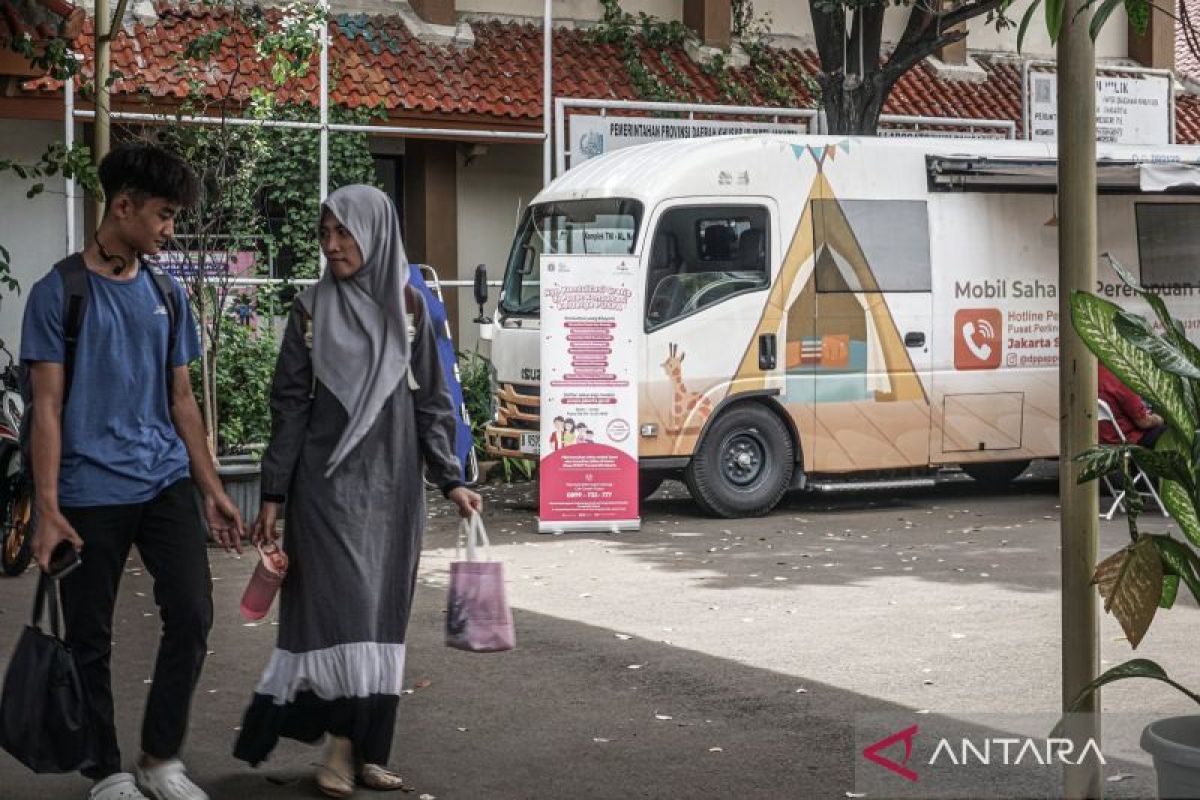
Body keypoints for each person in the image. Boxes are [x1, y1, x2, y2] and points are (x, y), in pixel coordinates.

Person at [233, 185, 483, 796]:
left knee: (380, 619)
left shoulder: (412, 307)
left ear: (376, 233)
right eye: (325, 232)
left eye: (344, 232)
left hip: (394, 490)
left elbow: (432, 402)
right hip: (325, 491)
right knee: (340, 611)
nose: (332, 244)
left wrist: (450, 478)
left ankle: (369, 748)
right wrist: (272, 495)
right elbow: (288, 407)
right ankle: (340, 750)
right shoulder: (310, 309)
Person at [20, 144, 245, 800]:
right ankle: (107, 770)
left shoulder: (166, 294)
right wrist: (47, 507)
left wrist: (212, 489)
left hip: (164, 481)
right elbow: (48, 408)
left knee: (195, 613)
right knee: (88, 637)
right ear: (123, 207)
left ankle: (159, 758)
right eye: (164, 215)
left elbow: (182, 400)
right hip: (87, 491)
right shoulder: (59, 293)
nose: (170, 229)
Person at [1098, 362, 1167, 448]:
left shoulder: (1089, 374)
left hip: (1101, 443)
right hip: (1126, 443)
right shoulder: (1117, 377)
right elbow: (1144, 422)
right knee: (1170, 433)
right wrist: (1160, 419)